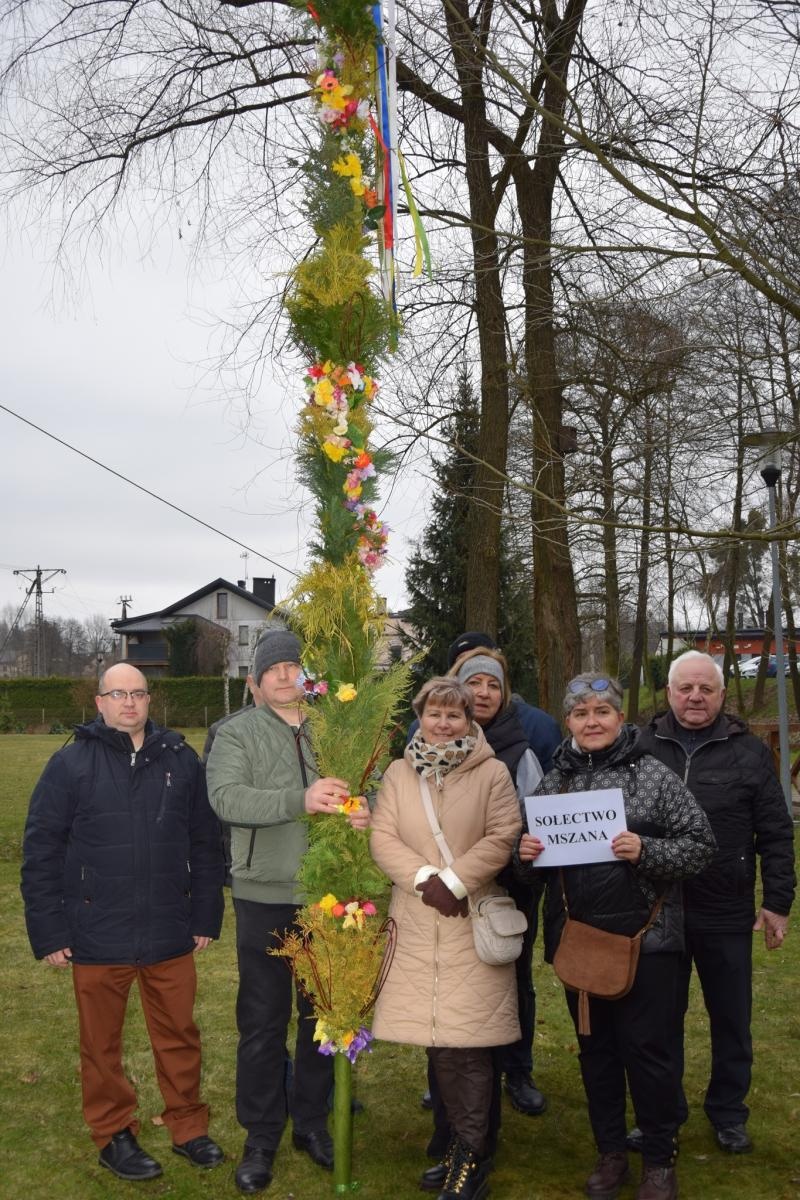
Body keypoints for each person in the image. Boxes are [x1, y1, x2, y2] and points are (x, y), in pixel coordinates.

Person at [21, 662, 225, 1181]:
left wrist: (204, 912)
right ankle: (114, 1132)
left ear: (150, 700)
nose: (129, 703)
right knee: (101, 1043)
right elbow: (41, 850)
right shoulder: (69, 764)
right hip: (95, 929)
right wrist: (49, 930)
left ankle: (187, 1126)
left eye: (138, 693)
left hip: (168, 928)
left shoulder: (181, 759)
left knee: (179, 1033)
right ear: (100, 702)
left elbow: (205, 843)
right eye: (118, 694)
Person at [516, 672, 716, 1200]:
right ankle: (609, 1153)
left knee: (649, 1054)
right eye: (581, 714)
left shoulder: (654, 775)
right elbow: (529, 872)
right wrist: (526, 857)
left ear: (619, 718)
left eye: (602, 712)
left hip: (648, 944)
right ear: (569, 723)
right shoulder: (552, 784)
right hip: (579, 946)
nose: (592, 722)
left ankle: (658, 1160)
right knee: (597, 1054)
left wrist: (645, 851)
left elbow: (701, 844)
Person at [205, 627, 369, 1194]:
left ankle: (313, 1121)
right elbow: (226, 798)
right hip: (264, 896)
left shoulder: (332, 731)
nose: (283, 674)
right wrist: (297, 801)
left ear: (307, 675)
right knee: (262, 1021)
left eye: (292, 665)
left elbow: (358, 788)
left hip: (327, 898)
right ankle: (261, 1135)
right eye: (272, 667)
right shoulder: (235, 733)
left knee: (321, 1017)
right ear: (255, 680)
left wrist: (357, 813)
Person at [635, 650, 796, 1155]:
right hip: (657, 909)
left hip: (725, 910)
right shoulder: (640, 748)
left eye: (706, 688)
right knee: (660, 1022)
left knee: (732, 1019)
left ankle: (729, 1111)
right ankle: (664, 1114)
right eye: (686, 688)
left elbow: (774, 832)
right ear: (669, 693)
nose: (695, 697)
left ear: (722, 696)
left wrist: (777, 902)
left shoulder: (748, 752)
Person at [371, 677, 522, 1200]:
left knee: (468, 1042)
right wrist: (424, 882)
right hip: (416, 920)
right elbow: (383, 835)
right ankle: (456, 1139)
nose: (443, 723)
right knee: (438, 1039)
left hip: (470, 918)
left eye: (454, 715)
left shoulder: (493, 773)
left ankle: (472, 1155)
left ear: (470, 721)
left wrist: (457, 882)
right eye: (434, 713)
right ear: (421, 716)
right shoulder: (397, 772)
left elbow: (504, 833)